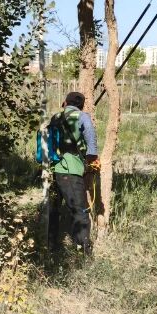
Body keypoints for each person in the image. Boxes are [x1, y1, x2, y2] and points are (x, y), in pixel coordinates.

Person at [40, 90, 99, 254]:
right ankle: (84, 251)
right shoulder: (83, 117)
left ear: (65, 103)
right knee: (80, 212)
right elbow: (92, 144)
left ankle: (51, 247)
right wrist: (91, 162)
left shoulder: (56, 117)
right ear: (82, 105)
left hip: (53, 169)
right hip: (71, 170)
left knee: (54, 210)